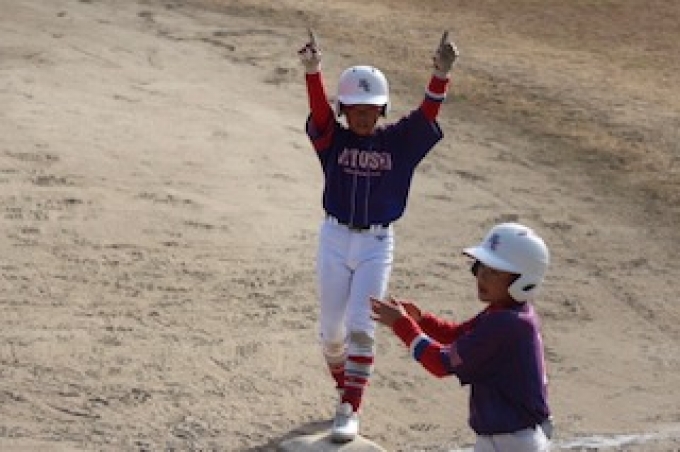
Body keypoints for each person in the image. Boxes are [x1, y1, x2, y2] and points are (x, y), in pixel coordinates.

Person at [298, 29, 459, 442]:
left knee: (361, 324)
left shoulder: (399, 144)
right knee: (330, 332)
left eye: (371, 109)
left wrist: (440, 75)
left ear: (382, 109)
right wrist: (313, 71)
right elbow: (319, 114)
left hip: (376, 245)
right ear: (344, 110)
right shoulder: (332, 142)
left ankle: (350, 407)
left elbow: (426, 116)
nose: (363, 117)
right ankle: (345, 390)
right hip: (334, 240)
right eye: (355, 110)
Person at [371, 222, 554, 451]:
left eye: (494, 272)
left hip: (515, 443)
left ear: (523, 280)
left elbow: (440, 363)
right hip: (505, 439)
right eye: (481, 267)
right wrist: (421, 320)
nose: (482, 276)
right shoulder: (505, 313)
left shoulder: (508, 324)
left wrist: (402, 325)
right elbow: (456, 335)